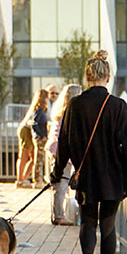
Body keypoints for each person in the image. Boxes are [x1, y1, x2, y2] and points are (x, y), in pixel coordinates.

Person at [51, 51, 127, 254]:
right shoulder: (117, 106)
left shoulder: (74, 105)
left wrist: (58, 171)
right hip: (113, 176)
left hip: (86, 176)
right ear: (108, 77)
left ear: (87, 75)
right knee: (108, 226)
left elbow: (65, 142)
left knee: (88, 221)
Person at [47, 84, 83, 225]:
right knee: (61, 183)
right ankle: (58, 216)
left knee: (58, 184)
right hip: (61, 152)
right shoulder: (70, 113)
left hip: (53, 148)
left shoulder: (60, 112)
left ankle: (57, 214)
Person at [16, 88, 49, 187]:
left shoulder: (38, 109)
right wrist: (40, 134)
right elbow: (34, 123)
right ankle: (20, 179)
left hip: (29, 130)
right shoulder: (38, 109)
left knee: (34, 157)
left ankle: (24, 178)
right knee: (25, 155)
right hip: (27, 129)